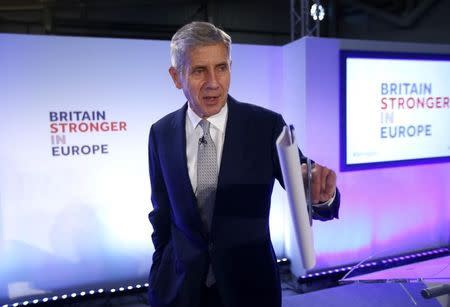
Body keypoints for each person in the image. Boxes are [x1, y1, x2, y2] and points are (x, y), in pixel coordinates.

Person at [147, 21, 340, 307]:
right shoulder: (160, 133)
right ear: (176, 77)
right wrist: (160, 274)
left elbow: (310, 190)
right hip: (181, 289)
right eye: (200, 70)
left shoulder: (266, 126)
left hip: (250, 288)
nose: (213, 82)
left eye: (221, 67)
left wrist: (322, 196)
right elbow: (162, 214)